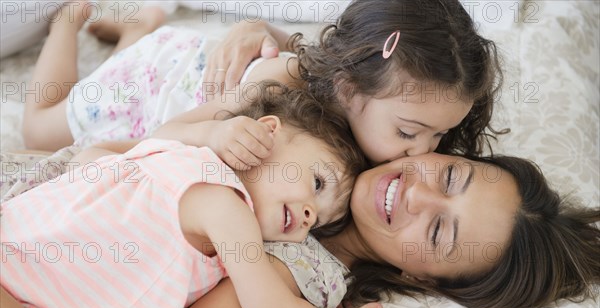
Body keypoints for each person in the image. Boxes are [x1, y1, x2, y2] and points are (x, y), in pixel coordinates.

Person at [2, 149, 599, 308]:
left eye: (439, 231)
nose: (417, 195)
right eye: (449, 176)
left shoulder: (292, 274)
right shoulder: (328, 147)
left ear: (420, 280)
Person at [1, 83, 382, 308]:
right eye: (317, 182)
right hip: (36, 302)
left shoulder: (168, 154)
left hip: (16, 245)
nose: (306, 213)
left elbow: (89, 157)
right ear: (266, 132)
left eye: (315, 220)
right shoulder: (226, 208)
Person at [22, 0, 505, 167]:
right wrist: (214, 133)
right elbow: (162, 136)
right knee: (39, 131)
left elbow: (296, 46)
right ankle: (68, 22)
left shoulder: (363, 87)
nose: (423, 152)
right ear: (347, 89)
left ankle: (136, 28)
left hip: (190, 58)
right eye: (408, 132)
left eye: (438, 134)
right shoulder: (274, 88)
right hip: (155, 86)